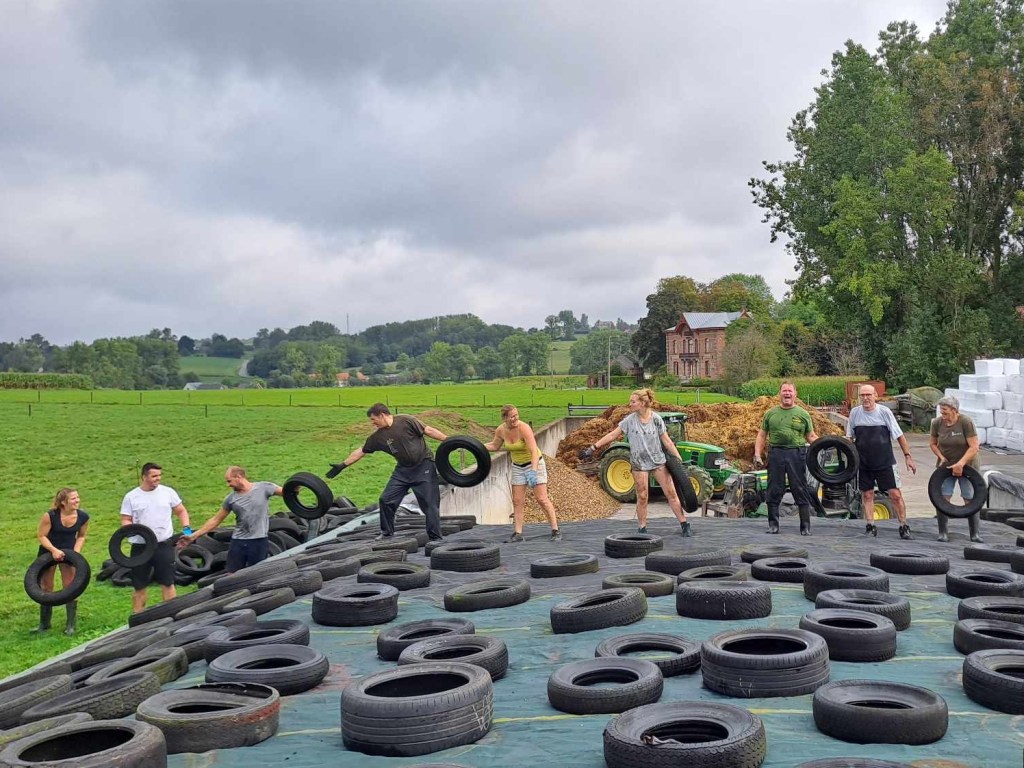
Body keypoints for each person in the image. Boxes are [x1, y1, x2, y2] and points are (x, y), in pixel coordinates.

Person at [580, 388, 692, 536]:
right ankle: (642, 527)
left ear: (643, 403)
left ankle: (684, 524)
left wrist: (679, 461)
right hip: (639, 463)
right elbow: (613, 435)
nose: (630, 404)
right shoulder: (629, 421)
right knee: (643, 496)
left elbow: (667, 442)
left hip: (657, 461)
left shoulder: (656, 419)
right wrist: (592, 448)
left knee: (671, 493)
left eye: (633, 401)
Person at [331, 404, 448, 542]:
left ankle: (435, 538)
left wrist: (450, 441)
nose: (372, 422)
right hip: (402, 471)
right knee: (386, 500)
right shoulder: (377, 437)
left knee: (430, 503)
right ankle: (387, 533)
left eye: (373, 419)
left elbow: (429, 430)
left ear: (382, 415)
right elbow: (361, 451)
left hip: (424, 466)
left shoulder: (406, 420)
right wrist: (343, 465)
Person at [179, 466, 284, 573]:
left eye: (229, 481)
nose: (228, 485)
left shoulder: (264, 487)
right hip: (238, 541)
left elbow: (287, 492)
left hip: (259, 540)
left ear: (238, 477)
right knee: (232, 574)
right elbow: (216, 520)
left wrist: (294, 486)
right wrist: (193, 536)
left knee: (257, 573)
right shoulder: (230, 499)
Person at [119, 462, 192, 613]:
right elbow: (126, 519)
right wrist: (130, 529)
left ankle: (172, 615)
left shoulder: (168, 492)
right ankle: (139, 617)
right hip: (141, 547)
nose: (158, 478)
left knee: (168, 582)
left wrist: (187, 529)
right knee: (139, 585)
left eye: (159, 475)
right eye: (154, 476)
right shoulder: (131, 497)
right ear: (144, 477)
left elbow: (181, 511)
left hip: (163, 545)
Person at [846, 385, 916, 538]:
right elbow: (849, 438)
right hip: (864, 463)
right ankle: (870, 526)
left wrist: (908, 456)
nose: (865, 398)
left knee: (895, 495)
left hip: (885, 462)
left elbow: (899, 436)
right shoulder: (855, 413)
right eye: (862, 395)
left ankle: (904, 526)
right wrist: (850, 461)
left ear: (875, 395)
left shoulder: (884, 412)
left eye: (868, 395)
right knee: (867, 495)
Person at [484, 405, 561, 542]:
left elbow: (533, 451)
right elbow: (494, 446)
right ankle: (518, 533)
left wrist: (533, 471)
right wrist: (475, 445)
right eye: (512, 416)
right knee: (517, 501)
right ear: (505, 418)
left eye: (517, 415)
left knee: (541, 499)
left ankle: (555, 530)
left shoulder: (524, 428)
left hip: (534, 463)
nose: (515, 419)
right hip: (518, 467)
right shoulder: (501, 430)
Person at [753, 382, 819, 535]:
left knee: (799, 487)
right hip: (776, 453)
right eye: (784, 391)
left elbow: (810, 436)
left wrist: (825, 444)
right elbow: (762, 435)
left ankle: (805, 527)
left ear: (795, 394)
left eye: (790, 391)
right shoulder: (770, 413)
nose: (787, 393)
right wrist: (757, 454)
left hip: (796, 453)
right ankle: (773, 525)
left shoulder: (803, 414)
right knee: (774, 487)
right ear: (780, 394)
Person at [32, 488, 90, 635]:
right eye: (73, 498)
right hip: (48, 552)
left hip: (69, 552)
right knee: (46, 587)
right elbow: (42, 536)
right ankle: (44, 624)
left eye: (77, 497)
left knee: (71, 587)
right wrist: (54, 550)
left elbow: (81, 536)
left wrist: (75, 552)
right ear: (63, 502)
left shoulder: (83, 516)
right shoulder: (50, 516)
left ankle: (71, 625)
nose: (77, 500)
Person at [929, 395, 983, 543]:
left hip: (968, 466)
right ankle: (943, 533)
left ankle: (975, 534)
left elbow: (974, 447)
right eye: (941, 410)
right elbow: (932, 443)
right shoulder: (937, 423)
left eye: (945, 410)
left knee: (970, 497)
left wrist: (961, 464)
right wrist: (941, 456)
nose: (942, 413)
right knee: (942, 497)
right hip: (946, 466)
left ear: (954, 410)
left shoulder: (965, 422)